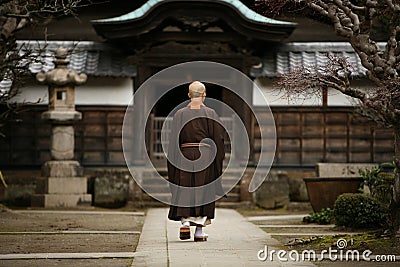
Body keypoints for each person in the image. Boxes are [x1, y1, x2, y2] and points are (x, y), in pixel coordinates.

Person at [167, 81, 225, 242]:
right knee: (203, 189)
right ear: (204, 94)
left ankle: (185, 223)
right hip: (205, 155)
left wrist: (173, 161)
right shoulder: (211, 113)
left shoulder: (179, 114)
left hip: (184, 154)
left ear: (189, 95)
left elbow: (173, 141)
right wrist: (217, 159)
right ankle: (199, 232)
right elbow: (218, 139)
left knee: (185, 187)